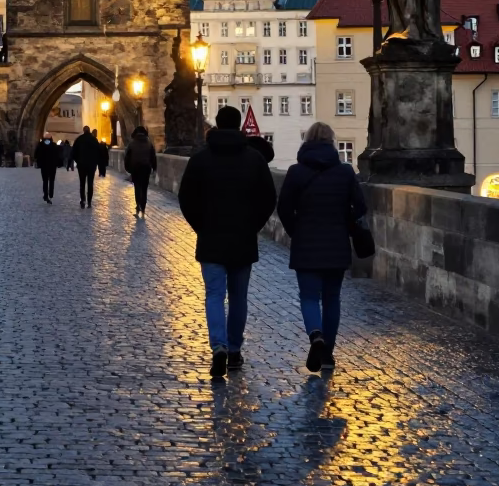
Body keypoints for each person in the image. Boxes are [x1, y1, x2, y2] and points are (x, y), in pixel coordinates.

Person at [178, 105, 278, 378]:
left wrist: (202, 226)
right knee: (238, 297)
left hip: (211, 238)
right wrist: (252, 226)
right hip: (242, 238)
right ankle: (234, 350)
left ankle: (218, 346)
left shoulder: (200, 159)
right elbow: (268, 199)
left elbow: (186, 198)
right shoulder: (254, 159)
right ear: (239, 127)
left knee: (213, 295)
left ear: (218, 126)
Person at [276, 122, 367, 373]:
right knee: (331, 298)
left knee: (308, 297)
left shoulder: (295, 172)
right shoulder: (346, 172)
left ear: (307, 142)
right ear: (332, 142)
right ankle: (327, 354)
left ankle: (316, 336)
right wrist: (344, 222)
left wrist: (297, 232)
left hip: (306, 243)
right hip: (336, 243)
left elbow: (283, 208)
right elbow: (360, 207)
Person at [124, 126, 157, 217]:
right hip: (146, 168)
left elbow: (127, 157)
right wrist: (154, 168)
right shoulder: (149, 143)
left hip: (135, 168)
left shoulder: (132, 143)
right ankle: (143, 207)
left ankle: (138, 205)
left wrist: (128, 169)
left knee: (137, 187)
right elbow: (153, 157)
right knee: (144, 188)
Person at [71, 126, 100, 209]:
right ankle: (89, 202)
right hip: (91, 165)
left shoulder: (79, 139)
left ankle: (83, 200)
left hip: (81, 165)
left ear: (83, 131)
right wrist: (95, 162)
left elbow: (74, 152)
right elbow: (98, 152)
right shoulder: (94, 140)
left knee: (82, 183)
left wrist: (78, 161)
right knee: (90, 183)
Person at [34, 131, 60, 203]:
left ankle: (45, 195)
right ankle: (51, 194)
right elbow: (57, 155)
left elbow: (36, 155)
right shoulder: (54, 145)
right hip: (52, 166)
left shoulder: (40, 145)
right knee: (51, 180)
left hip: (44, 166)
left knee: (45, 181)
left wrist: (39, 162)